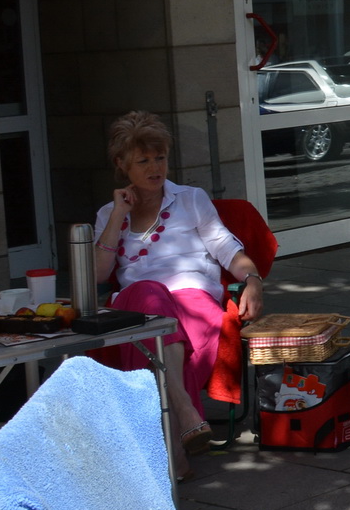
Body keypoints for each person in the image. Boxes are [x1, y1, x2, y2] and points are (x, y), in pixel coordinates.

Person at [93, 111, 266, 478]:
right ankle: (185, 415)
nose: (155, 167)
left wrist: (252, 280)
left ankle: (166, 447)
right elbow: (98, 274)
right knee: (152, 295)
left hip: (193, 305)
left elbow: (226, 249)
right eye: (143, 160)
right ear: (121, 164)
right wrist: (117, 217)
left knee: (173, 331)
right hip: (135, 304)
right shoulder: (110, 213)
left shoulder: (191, 199)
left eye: (160, 158)